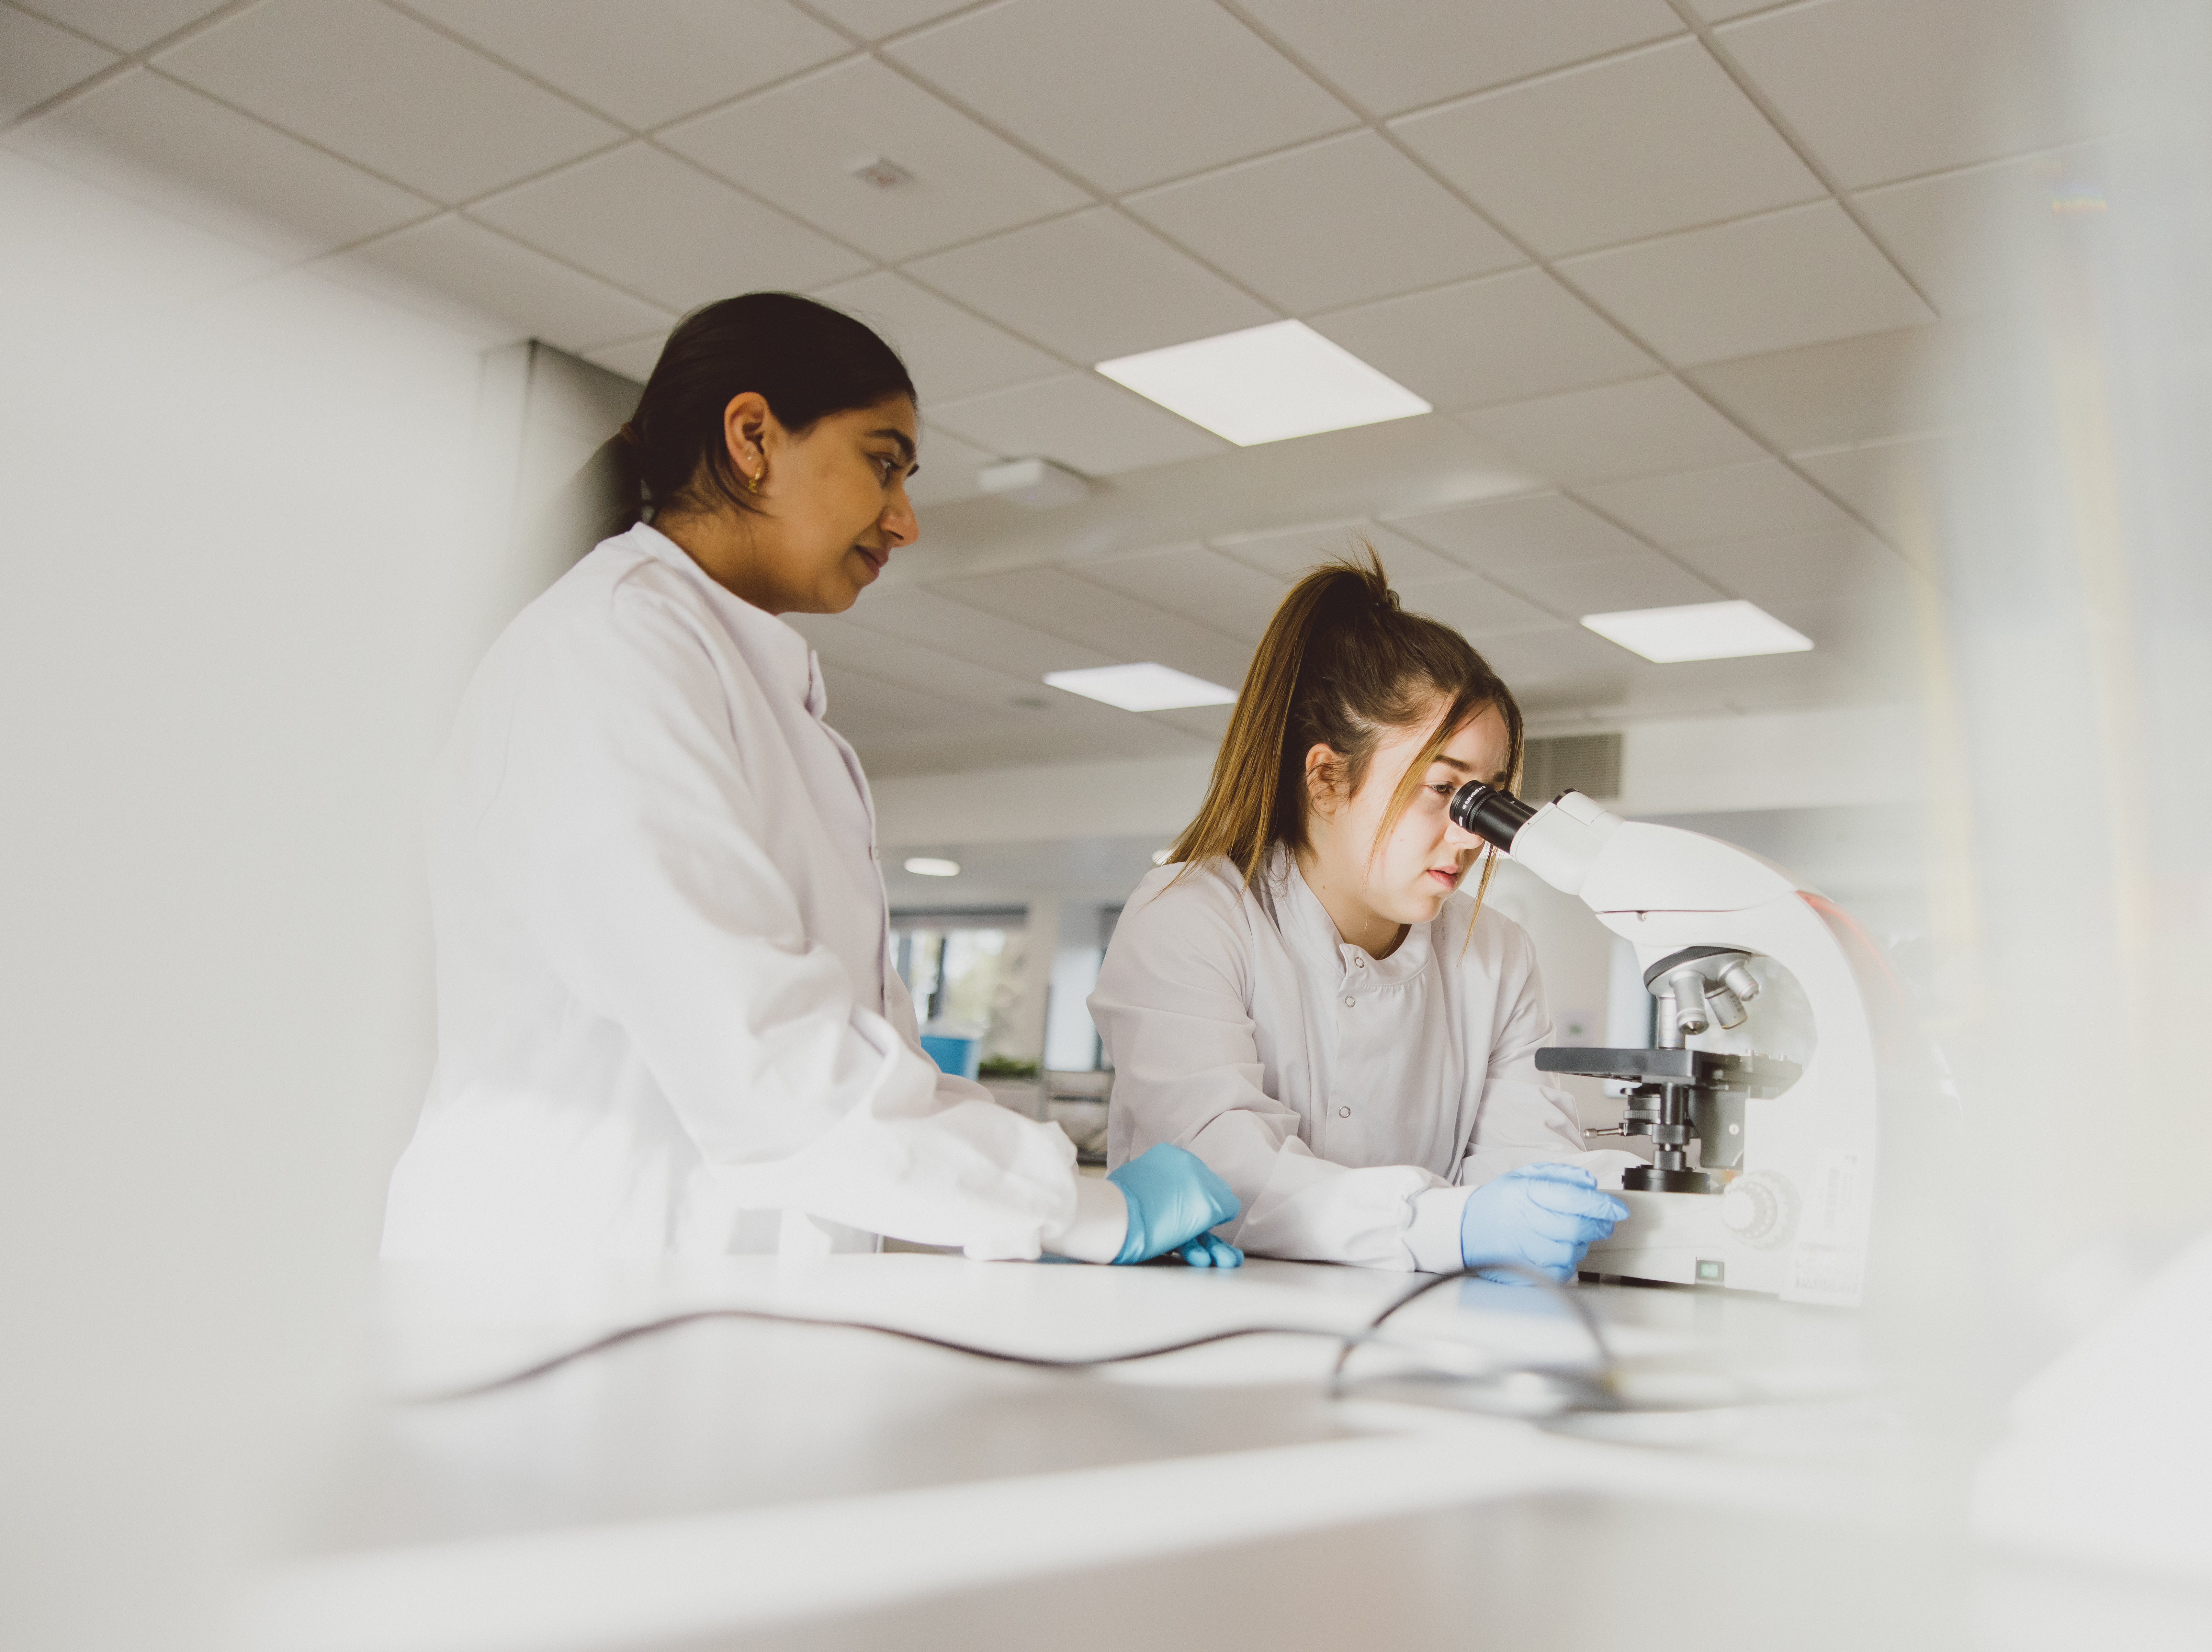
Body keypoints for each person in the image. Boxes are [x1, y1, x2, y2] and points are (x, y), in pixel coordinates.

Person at [382, 292, 1237, 1267]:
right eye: (884, 464)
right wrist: (1085, 1213)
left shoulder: (745, 685)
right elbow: (762, 1063)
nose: (906, 521)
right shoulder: (610, 647)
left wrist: (1065, 1201)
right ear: (752, 437)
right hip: (557, 1284)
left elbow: (872, 1053)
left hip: (691, 1304)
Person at [1089, 557, 1631, 1280]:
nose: (1472, 835)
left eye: (1489, 799)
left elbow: (1524, 1159)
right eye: (1443, 788)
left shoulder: (1494, 953)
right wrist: (1459, 1224)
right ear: (1325, 777)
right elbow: (1224, 1172)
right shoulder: (1191, 917)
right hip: (1213, 1329)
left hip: (1421, 1335)